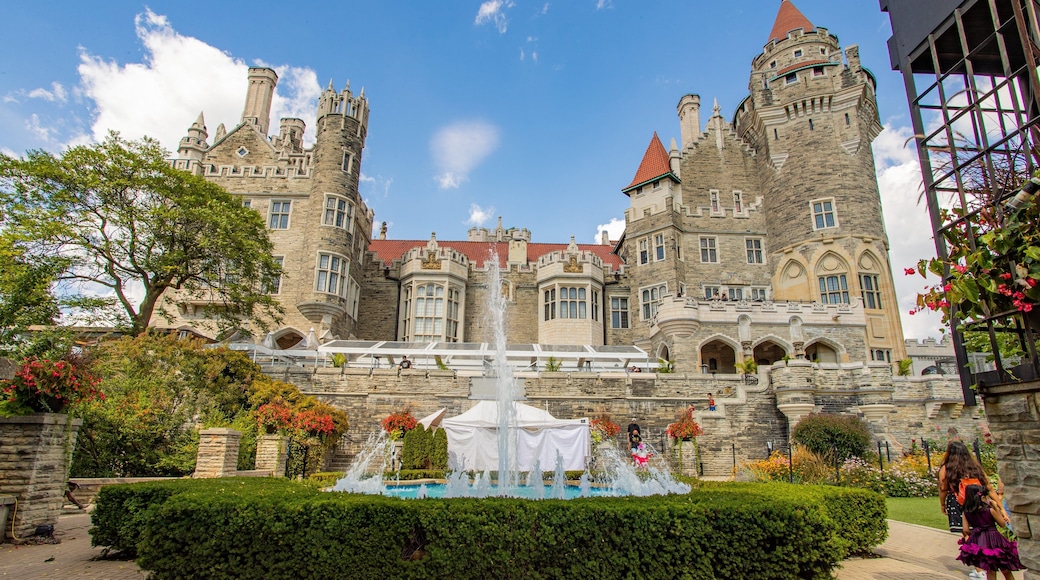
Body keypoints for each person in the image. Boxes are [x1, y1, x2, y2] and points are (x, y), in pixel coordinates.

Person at [956, 483, 1024, 579]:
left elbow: (966, 530)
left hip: (979, 540)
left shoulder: (966, 512)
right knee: (1006, 570)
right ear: (982, 497)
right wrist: (996, 507)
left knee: (991, 570)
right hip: (995, 540)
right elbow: (1003, 524)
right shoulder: (989, 511)